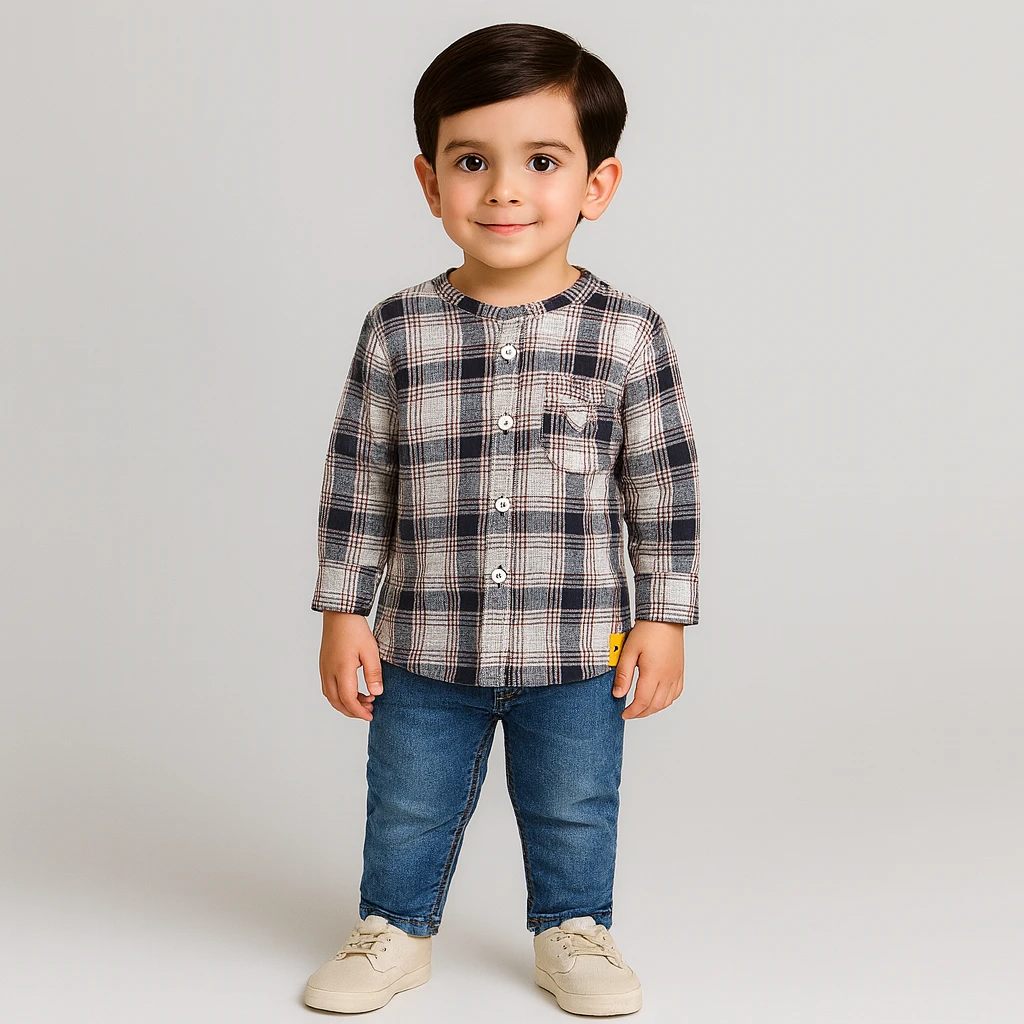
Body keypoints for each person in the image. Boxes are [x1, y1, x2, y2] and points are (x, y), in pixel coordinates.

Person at [303, 22, 701, 1017]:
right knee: (405, 802)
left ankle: (575, 929)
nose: (504, 191)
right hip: (425, 645)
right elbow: (358, 479)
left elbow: (662, 487)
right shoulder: (398, 330)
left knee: (574, 805)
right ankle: (394, 929)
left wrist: (664, 618)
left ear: (597, 185)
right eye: (471, 161)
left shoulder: (627, 335)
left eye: (542, 162)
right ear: (429, 181)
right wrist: (343, 610)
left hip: (577, 646)